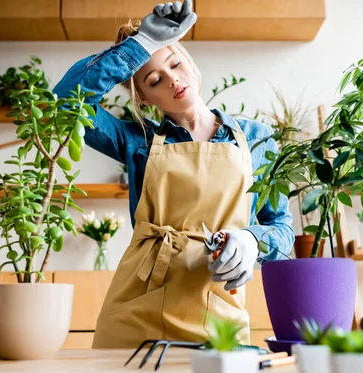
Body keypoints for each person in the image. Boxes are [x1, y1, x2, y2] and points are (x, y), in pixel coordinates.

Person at [53, 0, 294, 349]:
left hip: (216, 311)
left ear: (189, 61)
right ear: (146, 99)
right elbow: (63, 103)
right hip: (133, 312)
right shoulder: (138, 142)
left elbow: (283, 229)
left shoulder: (256, 139)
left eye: (175, 63)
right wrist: (142, 45)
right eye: (155, 80)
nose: (173, 80)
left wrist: (252, 240)